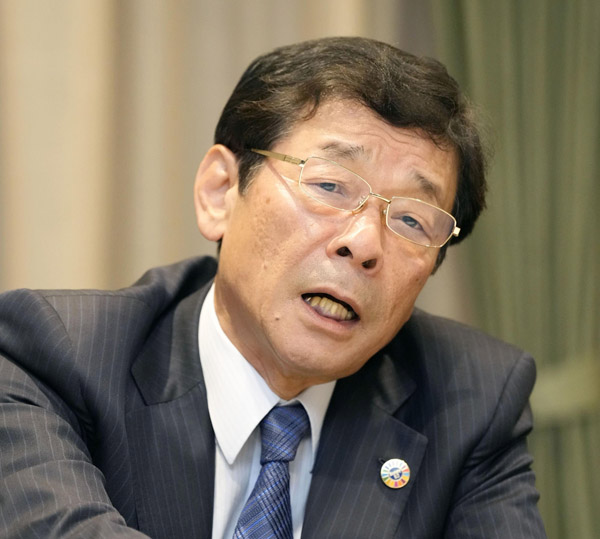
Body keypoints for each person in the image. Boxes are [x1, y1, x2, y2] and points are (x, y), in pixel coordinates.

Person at [0, 36, 546, 538]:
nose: (364, 243)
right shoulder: (55, 356)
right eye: (330, 185)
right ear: (220, 192)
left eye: (411, 220)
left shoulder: (470, 401)